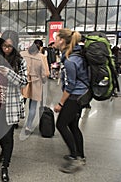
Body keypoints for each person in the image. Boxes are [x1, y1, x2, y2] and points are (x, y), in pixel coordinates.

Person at [0, 30, 27, 182]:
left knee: (8, 136)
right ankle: (4, 150)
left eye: (10, 46)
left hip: (11, 105)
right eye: (4, 45)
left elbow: (23, 82)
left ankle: (5, 167)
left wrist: (9, 73)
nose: (6, 49)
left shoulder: (20, 61)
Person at [54, 28, 88, 173]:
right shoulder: (77, 55)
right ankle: (81, 155)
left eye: (56, 38)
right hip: (83, 95)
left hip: (75, 96)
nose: (55, 40)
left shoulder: (70, 60)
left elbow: (70, 85)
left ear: (62, 40)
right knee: (73, 125)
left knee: (61, 124)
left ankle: (75, 158)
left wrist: (60, 104)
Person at [21, 42, 48, 135]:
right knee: (33, 106)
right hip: (36, 83)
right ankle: (28, 127)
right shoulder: (42, 57)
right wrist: (43, 81)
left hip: (23, 81)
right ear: (39, 48)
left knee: (20, 102)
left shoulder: (22, 54)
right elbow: (45, 73)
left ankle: (15, 122)